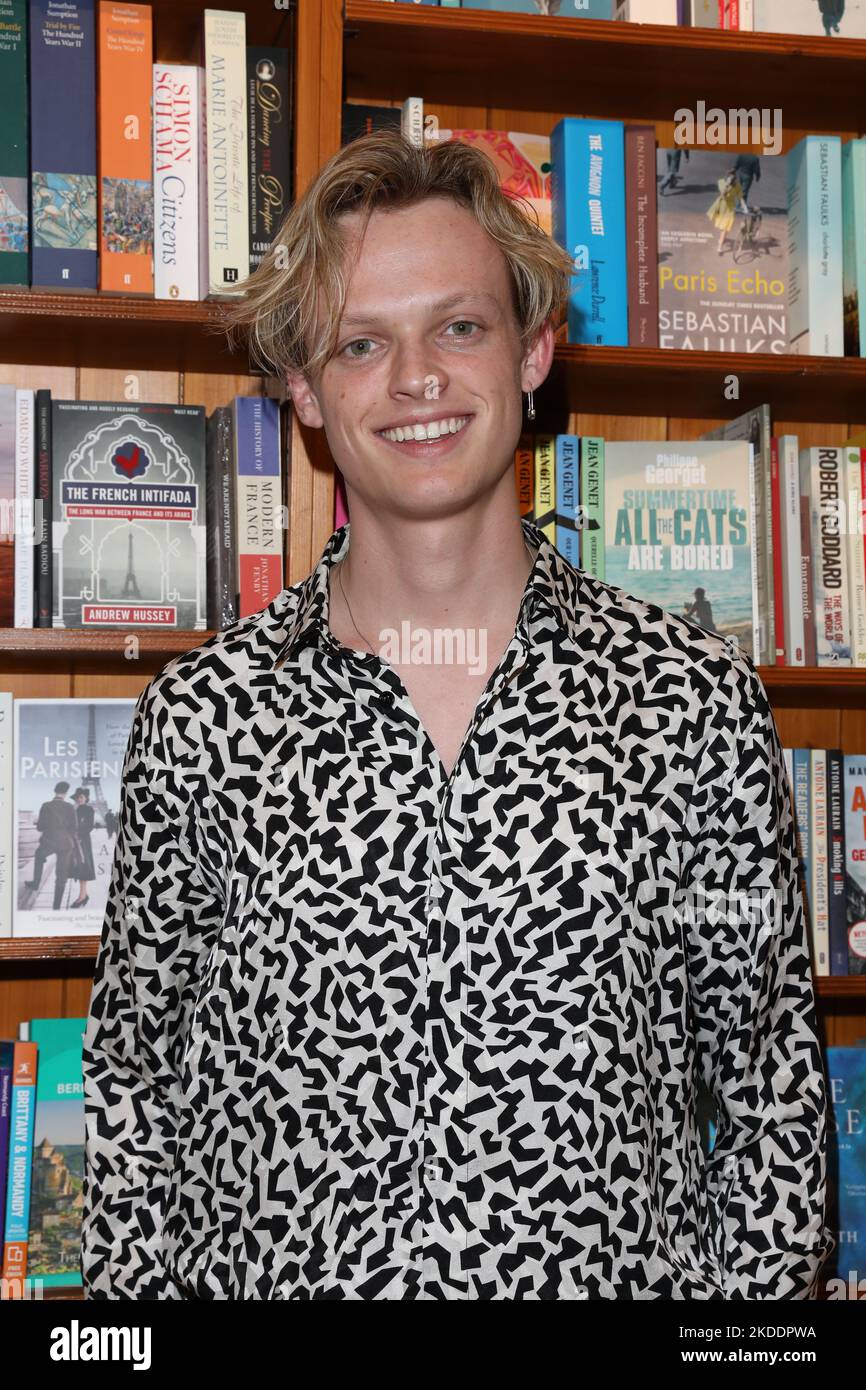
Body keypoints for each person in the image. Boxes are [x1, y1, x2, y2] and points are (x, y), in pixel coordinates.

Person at [81, 129, 833, 1301]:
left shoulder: (687, 704)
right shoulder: (201, 719)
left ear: (533, 351)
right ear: (304, 387)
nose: (416, 379)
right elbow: (134, 1090)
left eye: (459, 326)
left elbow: (772, 1087)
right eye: (361, 343)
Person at [24, 779, 78, 911]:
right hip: (65, 843)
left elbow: (40, 827)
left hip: (49, 842)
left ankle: (36, 883)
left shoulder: (46, 805)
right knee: (61, 875)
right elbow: (74, 828)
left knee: (39, 855)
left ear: (55, 791)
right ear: (65, 793)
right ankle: (56, 907)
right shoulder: (70, 807)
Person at [69, 787, 96, 909]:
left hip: (83, 842)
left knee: (83, 868)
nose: (79, 799)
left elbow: (89, 826)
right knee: (79, 868)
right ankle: (84, 895)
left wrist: (79, 835)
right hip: (74, 842)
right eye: (77, 798)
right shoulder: (75, 809)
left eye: (81, 797)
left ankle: (82, 896)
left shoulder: (89, 809)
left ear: (86, 798)